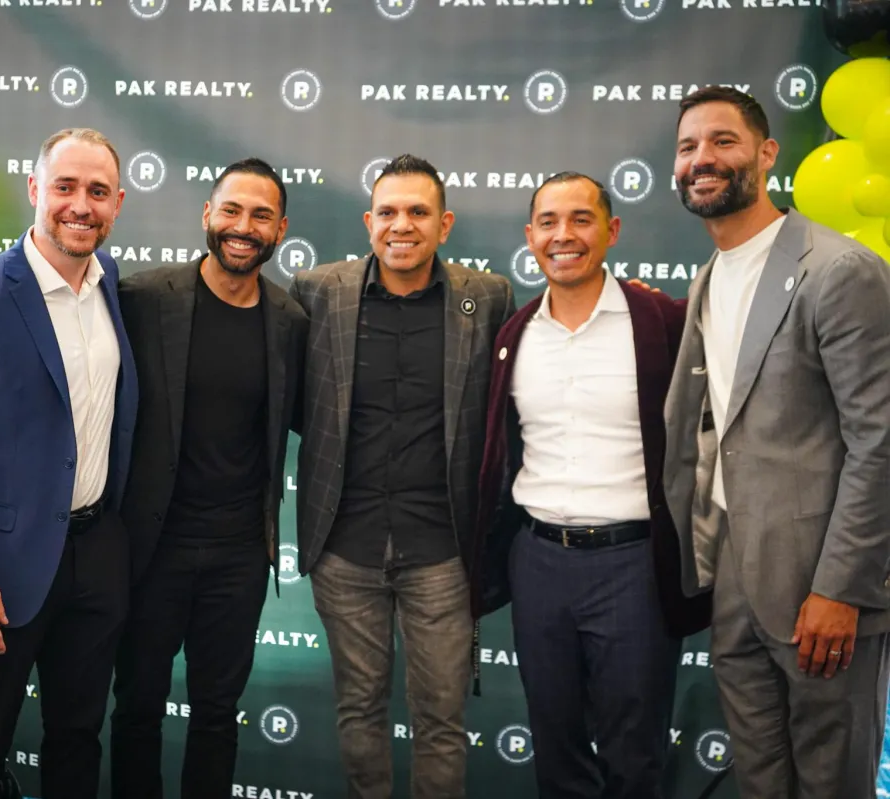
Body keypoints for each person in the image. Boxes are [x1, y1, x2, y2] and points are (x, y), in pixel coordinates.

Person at [664, 86, 890, 798]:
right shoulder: (708, 277)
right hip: (736, 575)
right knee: (761, 781)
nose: (702, 158)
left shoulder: (839, 270)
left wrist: (841, 588)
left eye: (722, 141)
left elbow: (880, 442)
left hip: (822, 588)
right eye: (688, 146)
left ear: (766, 154)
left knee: (831, 782)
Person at [0, 127, 138, 799]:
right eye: (65, 186)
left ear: (118, 203)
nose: (80, 205)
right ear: (35, 188)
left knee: (78, 740)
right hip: (1, 573)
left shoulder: (111, 286)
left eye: (97, 191)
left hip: (97, 556)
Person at [473, 172, 711, 799]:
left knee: (635, 754)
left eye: (581, 219)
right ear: (530, 236)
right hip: (539, 564)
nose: (564, 235)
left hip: (635, 566)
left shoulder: (661, 320)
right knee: (557, 751)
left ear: (612, 230)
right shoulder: (513, 336)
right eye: (549, 222)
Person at [288, 154, 514, 798]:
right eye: (387, 212)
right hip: (345, 547)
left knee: (441, 721)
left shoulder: (488, 297)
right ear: (368, 222)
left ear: (445, 223)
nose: (402, 225)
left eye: (418, 212)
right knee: (358, 712)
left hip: (443, 551)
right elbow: (297, 402)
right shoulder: (318, 291)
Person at [109, 157, 308, 798]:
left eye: (260, 215)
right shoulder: (143, 299)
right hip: (152, 549)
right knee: (137, 706)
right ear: (207, 215)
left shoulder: (290, 322)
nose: (243, 227)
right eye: (231, 210)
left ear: (280, 229)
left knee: (218, 715)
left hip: (238, 556)